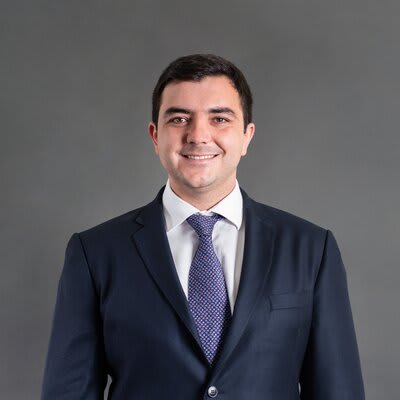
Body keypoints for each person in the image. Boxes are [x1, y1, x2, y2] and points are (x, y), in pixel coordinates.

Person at [41, 54, 365, 399]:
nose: (198, 135)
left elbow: (338, 391)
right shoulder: (95, 253)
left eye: (219, 119)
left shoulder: (311, 249)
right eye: (179, 119)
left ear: (246, 136)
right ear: (155, 135)